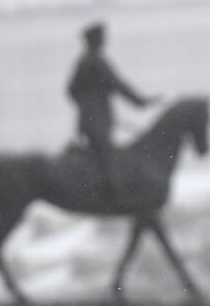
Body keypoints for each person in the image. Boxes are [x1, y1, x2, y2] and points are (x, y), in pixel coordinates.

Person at [65, 21, 154, 208]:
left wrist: (85, 104)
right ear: (96, 40)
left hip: (89, 119)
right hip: (97, 120)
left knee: (102, 155)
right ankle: (117, 196)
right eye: (102, 38)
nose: (105, 41)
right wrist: (140, 102)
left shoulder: (84, 61)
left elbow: (71, 90)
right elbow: (117, 84)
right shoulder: (96, 61)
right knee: (108, 156)